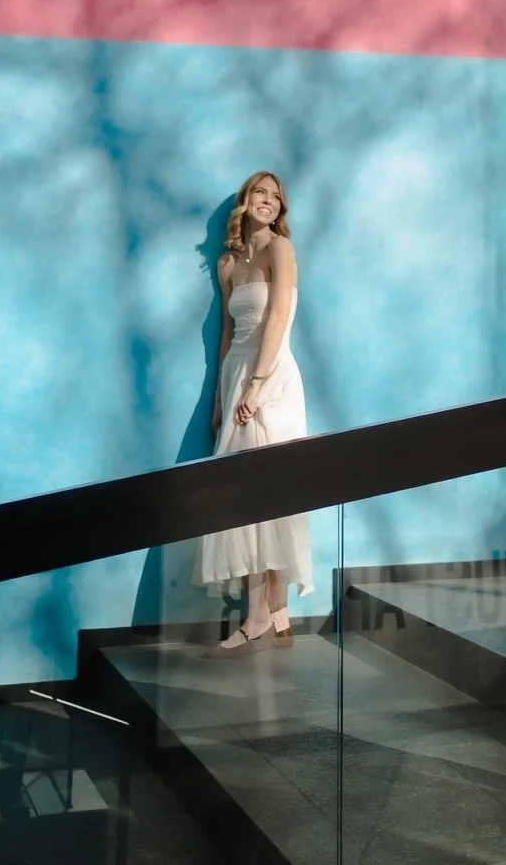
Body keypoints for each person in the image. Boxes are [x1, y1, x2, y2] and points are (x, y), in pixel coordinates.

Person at [192, 169, 312, 652]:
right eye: (260, 194)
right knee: (242, 499)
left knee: (272, 492)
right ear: (245, 202)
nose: (268, 201)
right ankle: (269, 613)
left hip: (273, 376)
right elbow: (226, 333)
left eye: (276, 197)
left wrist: (257, 386)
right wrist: (223, 400)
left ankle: (264, 613)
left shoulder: (280, 249)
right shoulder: (226, 263)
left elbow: (279, 316)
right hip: (236, 375)